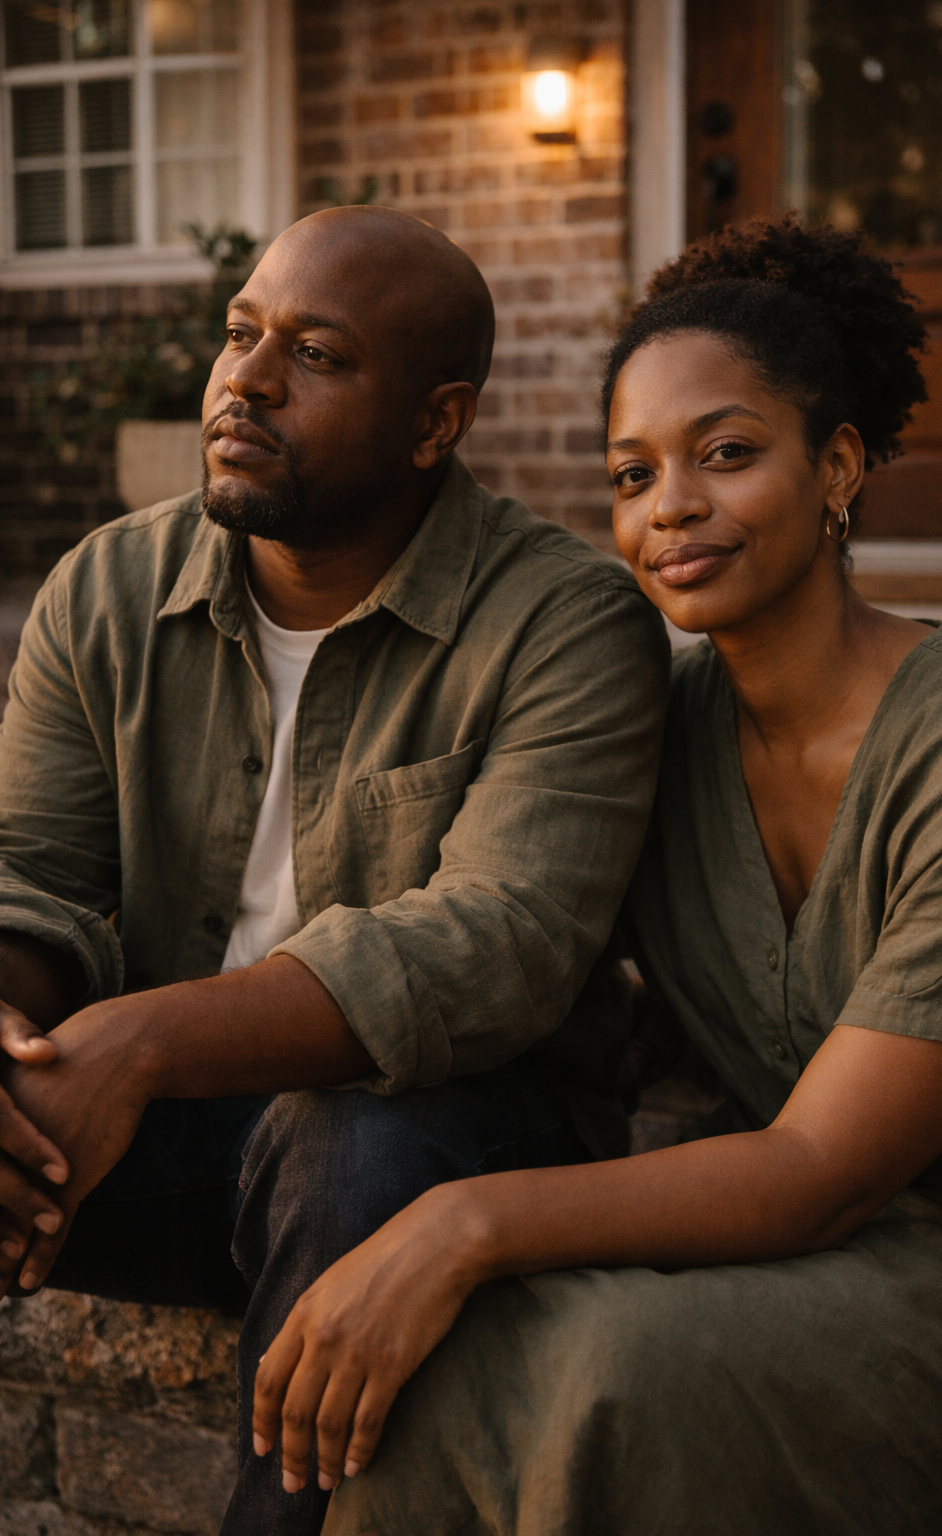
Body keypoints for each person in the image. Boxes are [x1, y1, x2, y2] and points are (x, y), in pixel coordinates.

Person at [249, 217, 942, 1534]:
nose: (669, 507)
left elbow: (824, 1168)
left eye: (726, 455)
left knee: (600, 1370)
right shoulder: (652, 728)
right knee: (454, 1358)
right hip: (806, 1245)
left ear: (837, 466)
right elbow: (496, 935)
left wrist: (460, 1224)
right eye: (629, 474)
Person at [0, 206, 669, 1534]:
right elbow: (33, 876)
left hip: (439, 1137)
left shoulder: (564, 625)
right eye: (242, 333)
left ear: (436, 423)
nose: (245, 378)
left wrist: (136, 1044)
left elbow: (498, 944)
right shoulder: (108, 592)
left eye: (316, 355)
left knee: (348, 1146)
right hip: (164, 1139)